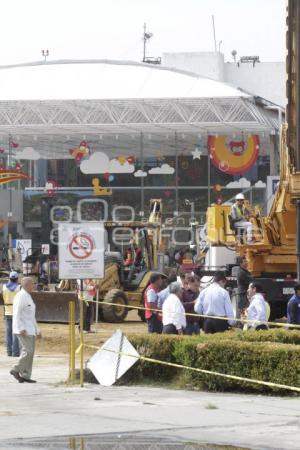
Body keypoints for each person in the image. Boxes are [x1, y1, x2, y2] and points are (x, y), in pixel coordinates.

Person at [10, 277, 41, 383]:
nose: (34, 286)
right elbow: (17, 313)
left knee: (30, 352)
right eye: (32, 284)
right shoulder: (21, 296)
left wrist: (38, 330)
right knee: (28, 351)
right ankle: (16, 369)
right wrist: (20, 328)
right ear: (27, 285)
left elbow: (32, 316)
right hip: (23, 329)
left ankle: (26, 375)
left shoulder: (28, 296)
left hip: (30, 329)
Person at [2, 271, 20, 356]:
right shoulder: (19, 288)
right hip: (16, 313)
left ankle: (9, 351)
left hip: (7, 312)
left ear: (9, 278)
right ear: (17, 279)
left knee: (8, 333)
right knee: (15, 333)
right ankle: (15, 352)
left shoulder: (4, 287)